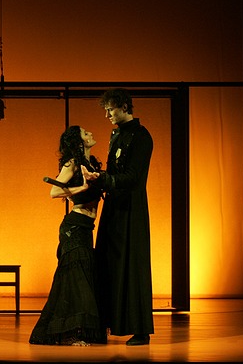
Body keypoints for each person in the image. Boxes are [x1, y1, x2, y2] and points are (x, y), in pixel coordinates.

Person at [86, 88, 154, 346]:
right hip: (114, 206)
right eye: (106, 110)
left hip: (132, 209)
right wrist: (98, 177)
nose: (107, 115)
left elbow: (134, 177)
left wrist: (104, 179)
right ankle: (106, 322)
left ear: (124, 106)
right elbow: (115, 173)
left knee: (132, 266)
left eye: (110, 109)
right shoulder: (116, 135)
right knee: (107, 262)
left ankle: (140, 330)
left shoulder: (141, 136)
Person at [29, 125, 107, 346]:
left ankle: (79, 331)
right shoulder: (72, 163)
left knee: (83, 279)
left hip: (86, 228)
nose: (90, 133)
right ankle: (71, 333)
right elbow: (54, 191)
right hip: (73, 228)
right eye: (85, 133)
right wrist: (81, 188)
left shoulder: (90, 165)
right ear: (78, 141)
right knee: (76, 281)